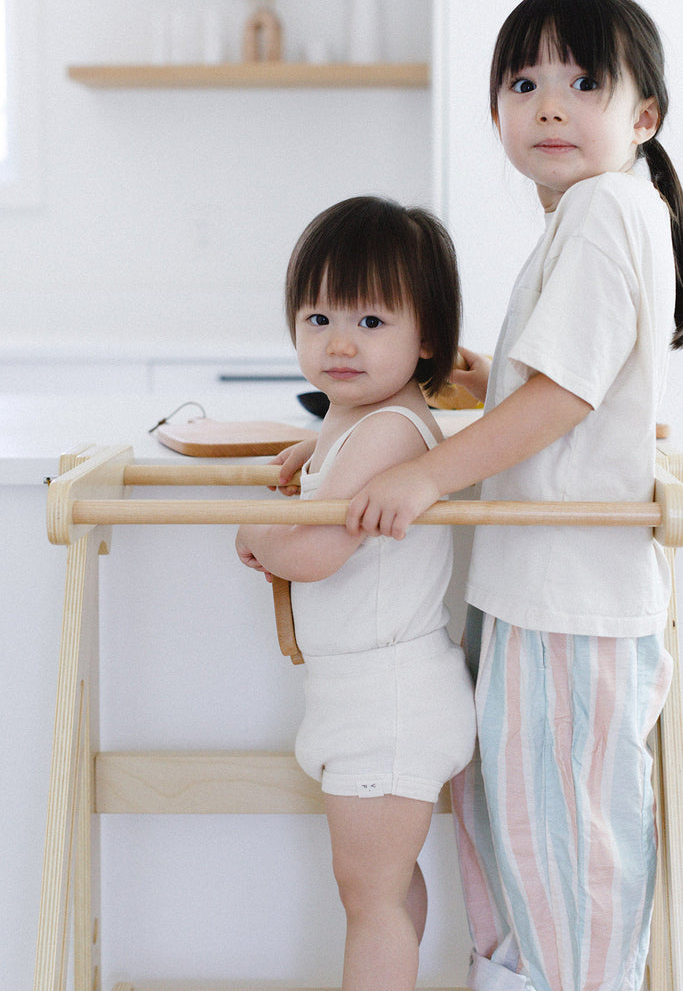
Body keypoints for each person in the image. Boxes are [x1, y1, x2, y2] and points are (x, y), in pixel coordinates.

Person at [316, 0, 680, 991]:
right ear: (495, 113)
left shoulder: (605, 208)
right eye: (524, 82)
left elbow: (563, 397)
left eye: (580, 81)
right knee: (519, 833)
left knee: (558, 844)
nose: (549, 104)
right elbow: (567, 385)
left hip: (567, 600)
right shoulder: (592, 216)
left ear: (640, 115)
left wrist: (428, 472)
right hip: (540, 592)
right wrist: (483, 379)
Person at [235, 195, 476, 991]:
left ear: (427, 337)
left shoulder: (387, 431)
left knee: (367, 895)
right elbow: (340, 463)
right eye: (317, 317)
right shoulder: (356, 422)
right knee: (382, 888)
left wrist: (259, 530)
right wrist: (314, 448)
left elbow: (313, 553)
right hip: (368, 694)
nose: (340, 342)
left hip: (388, 697)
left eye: (371, 322)